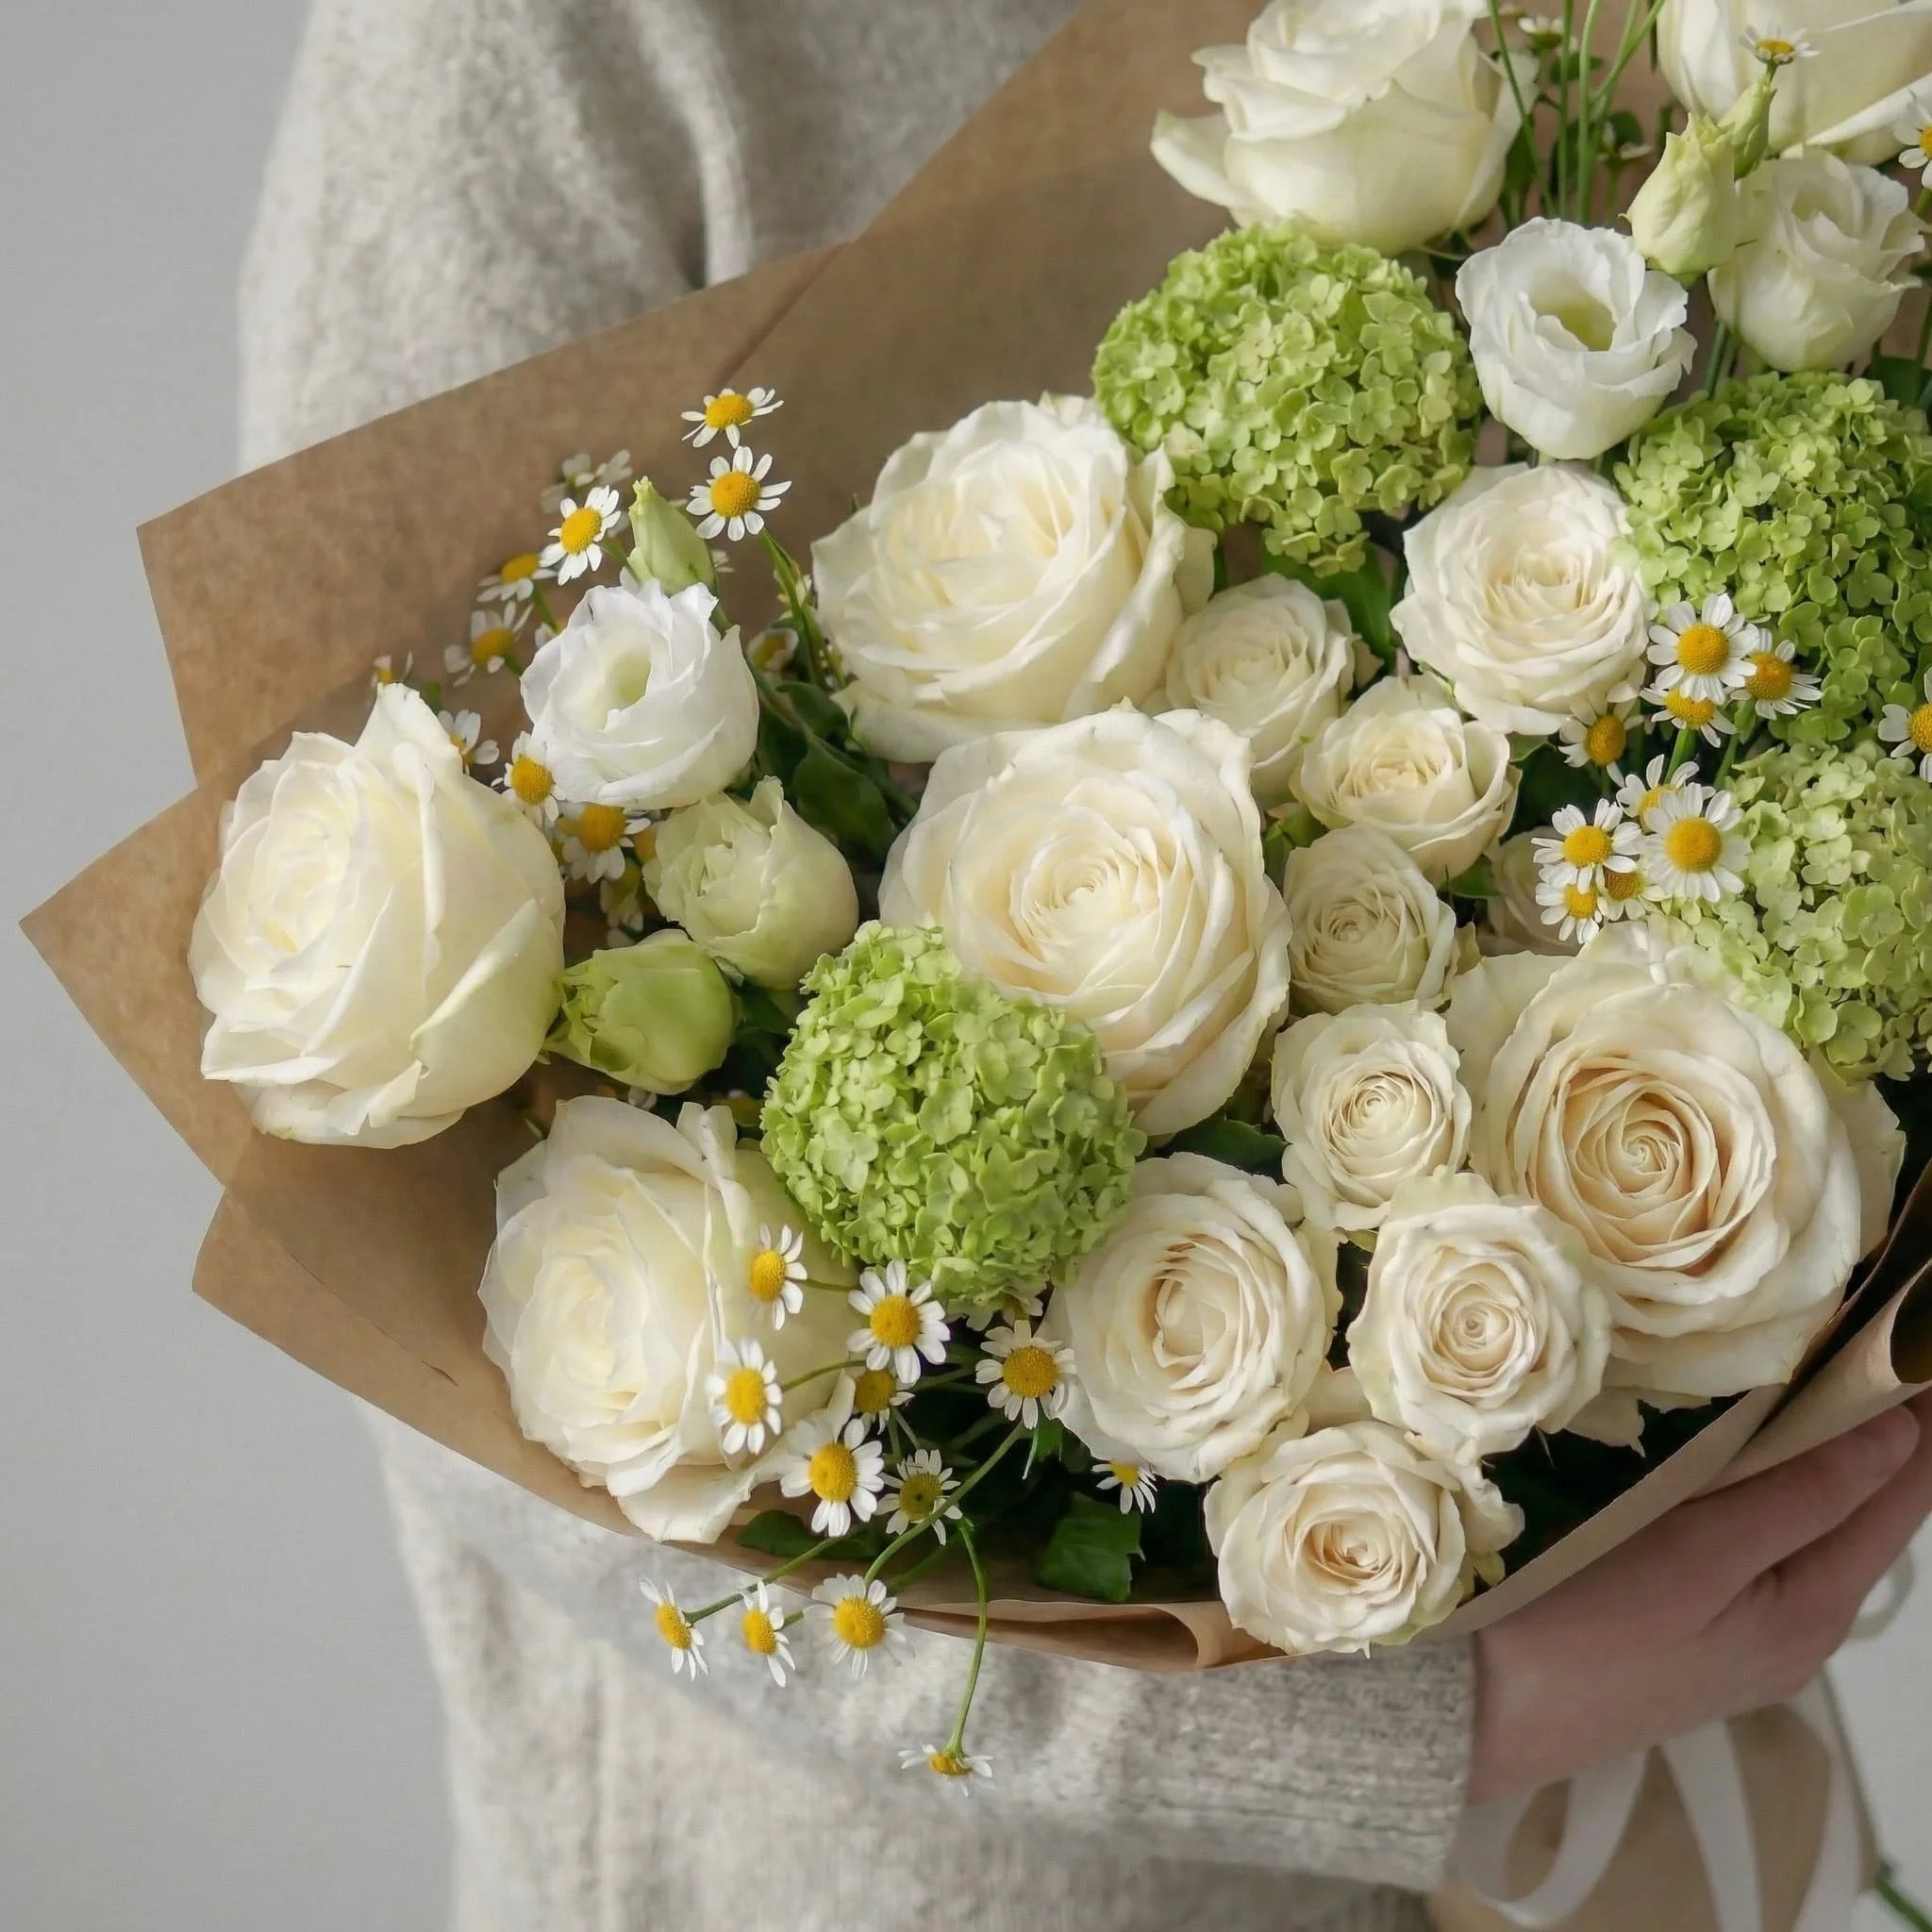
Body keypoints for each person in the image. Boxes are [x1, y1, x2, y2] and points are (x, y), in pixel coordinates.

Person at [239, 5, 1932, 1926]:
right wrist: (1395, 1729)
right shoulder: (534, 42)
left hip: (1642, 1780)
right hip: (924, 1875)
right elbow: (414, 1287)